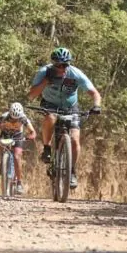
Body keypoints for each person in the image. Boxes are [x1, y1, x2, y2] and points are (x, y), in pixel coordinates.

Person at [27, 47, 101, 189]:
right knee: (50, 117)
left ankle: (72, 171)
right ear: (53, 64)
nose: (61, 68)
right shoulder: (44, 72)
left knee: (74, 138)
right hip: (50, 104)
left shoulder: (76, 74)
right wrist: (46, 81)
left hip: (70, 107)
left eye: (64, 65)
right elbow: (31, 96)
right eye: (57, 65)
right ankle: (47, 148)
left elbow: (95, 93)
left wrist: (96, 106)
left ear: (69, 64)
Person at [0, 102, 37, 195]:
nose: (14, 121)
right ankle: (3, 163)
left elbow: (33, 132)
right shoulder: (3, 118)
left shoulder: (24, 119)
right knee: (0, 145)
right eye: (12, 118)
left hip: (18, 136)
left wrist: (30, 136)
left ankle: (19, 182)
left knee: (16, 156)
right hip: (5, 135)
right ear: (9, 114)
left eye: (17, 119)